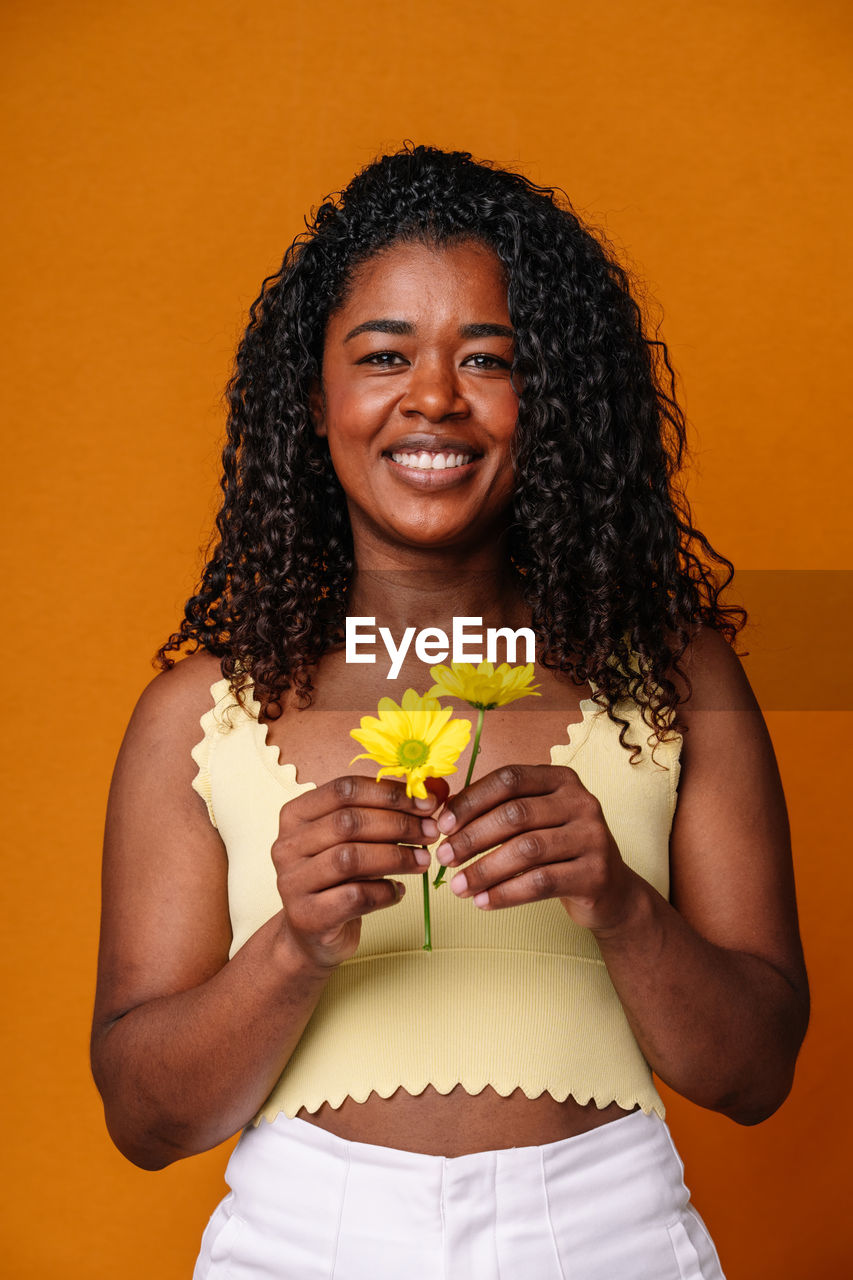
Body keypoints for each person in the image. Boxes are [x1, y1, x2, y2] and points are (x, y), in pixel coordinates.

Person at [91, 145, 809, 1279]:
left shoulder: (675, 679)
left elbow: (757, 1071)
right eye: (384, 356)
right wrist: (295, 944)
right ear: (313, 398)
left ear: (553, 403)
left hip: (605, 1228)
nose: (434, 396)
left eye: (490, 358)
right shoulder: (199, 713)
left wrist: (618, 902)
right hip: (303, 1238)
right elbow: (143, 1118)